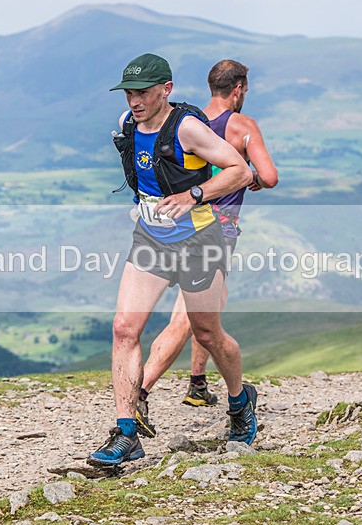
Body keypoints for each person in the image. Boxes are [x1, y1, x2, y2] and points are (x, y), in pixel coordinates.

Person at [87, 53, 257, 467]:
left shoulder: (188, 128)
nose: (134, 101)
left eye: (143, 92)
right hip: (151, 237)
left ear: (167, 89)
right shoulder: (129, 123)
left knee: (207, 333)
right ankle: (127, 432)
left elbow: (241, 171)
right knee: (124, 328)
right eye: (129, 93)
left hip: (200, 240)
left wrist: (194, 195)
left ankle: (240, 402)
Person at [135, 59, 279, 438]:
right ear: (239, 89)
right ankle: (143, 393)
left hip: (169, 226)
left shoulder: (189, 122)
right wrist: (251, 178)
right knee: (194, 319)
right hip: (216, 230)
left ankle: (195, 383)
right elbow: (269, 176)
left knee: (199, 318)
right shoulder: (242, 127)